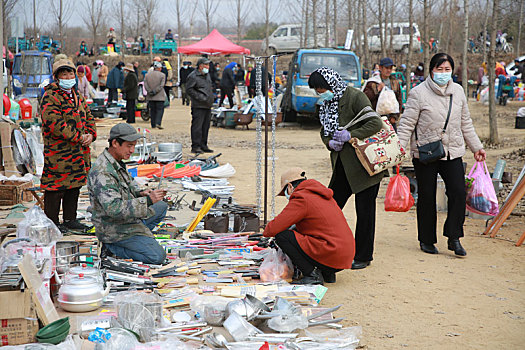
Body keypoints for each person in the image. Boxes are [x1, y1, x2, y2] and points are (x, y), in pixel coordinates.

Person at [397, 53, 486, 257]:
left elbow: (465, 123)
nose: (443, 74)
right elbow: (406, 125)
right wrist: (399, 152)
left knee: (458, 192)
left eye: (447, 70)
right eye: (439, 69)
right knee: (427, 196)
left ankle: (454, 237)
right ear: (431, 70)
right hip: (426, 153)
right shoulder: (418, 93)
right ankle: (426, 239)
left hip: (452, 151)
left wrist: (476, 147)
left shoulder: (458, 91)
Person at [307, 67, 386, 270]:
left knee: (365, 210)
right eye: (317, 90)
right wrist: (329, 143)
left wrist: (351, 135)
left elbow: (375, 123)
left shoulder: (355, 97)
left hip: (365, 165)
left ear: (332, 83)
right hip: (342, 165)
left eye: (322, 88)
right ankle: (325, 246)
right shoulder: (325, 104)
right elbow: (325, 130)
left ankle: (363, 255)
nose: (320, 93)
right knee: (331, 206)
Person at [88, 123, 167, 265]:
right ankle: (113, 248)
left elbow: (129, 185)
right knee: (157, 256)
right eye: (129, 146)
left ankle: (139, 239)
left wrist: (141, 193)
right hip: (112, 228)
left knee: (161, 206)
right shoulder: (103, 171)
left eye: (134, 146)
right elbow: (115, 209)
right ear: (115, 143)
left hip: (126, 219)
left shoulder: (116, 161)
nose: (132, 150)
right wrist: (147, 201)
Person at [263, 168, 355, 285]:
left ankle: (312, 275)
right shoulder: (321, 194)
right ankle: (328, 273)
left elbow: (271, 230)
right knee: (301, 231)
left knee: (283, 236)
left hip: (332, 252)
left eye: (286, 191)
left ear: (290, 187)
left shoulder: (301, 198)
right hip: (344, 254)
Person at [40, 58, 97, 232]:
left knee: (74, 186)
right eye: (63, 73)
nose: (68, 76)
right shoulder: (50, 96)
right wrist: (79, 137)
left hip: (78, 153)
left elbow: (89, 117)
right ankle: (53, 223)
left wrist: (91, 135)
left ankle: (70, 219)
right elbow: (55, 124)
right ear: (57, 77)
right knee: (56, 188)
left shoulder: (77, 96)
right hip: (58, 153)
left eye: (70, 72)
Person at [363, 57, 403, 129]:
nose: (389, 70)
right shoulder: (372, 82)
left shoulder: (395, 83)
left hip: (390, 121)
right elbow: (365, 99)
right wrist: (377, 90)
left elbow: (399, 100)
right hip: (375, 120)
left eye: (390, 68)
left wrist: (395, 117)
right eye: (386, 68)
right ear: (380, 68)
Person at [186, 57, 214, 154]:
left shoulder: (207, 75)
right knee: (197, 126)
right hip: (198, 105)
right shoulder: (193, 76)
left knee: (205, 126)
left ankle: (203, 144)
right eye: (206, 65)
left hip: (207, 105)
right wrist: (200, 97)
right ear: (201, 66)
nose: (208, 67)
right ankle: (196, 146)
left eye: (208, 65)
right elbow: (189, 89)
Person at [144, 61, 166, 129]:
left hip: (150, 96)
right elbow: (161, 86)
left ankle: (153, 124)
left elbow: (145, 85)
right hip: (159, 96)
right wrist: (155, 91)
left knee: (152, 110)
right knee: (160, 110)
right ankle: (158, 123)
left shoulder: (147, 75)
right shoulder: (162, 75)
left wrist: (150, 91)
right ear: (159, 68)